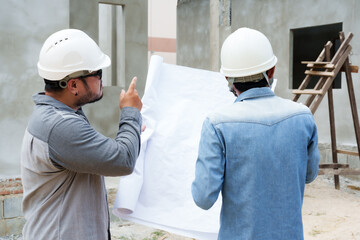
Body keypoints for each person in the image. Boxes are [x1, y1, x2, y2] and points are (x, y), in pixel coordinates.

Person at [191, 27, 320, 240]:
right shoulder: (303, 116)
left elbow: (203, 198)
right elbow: (309, 175)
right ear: (272, 71)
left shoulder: (217, 124)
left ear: (227, 79)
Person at [20, 29, 143, 240]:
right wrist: (130, 112)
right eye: (97, 74)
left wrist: (131, 132)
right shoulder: (60, 126)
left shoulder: (59, 116)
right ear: (73, 85)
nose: (101, 80)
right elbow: (123, 160)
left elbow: (101, 152)